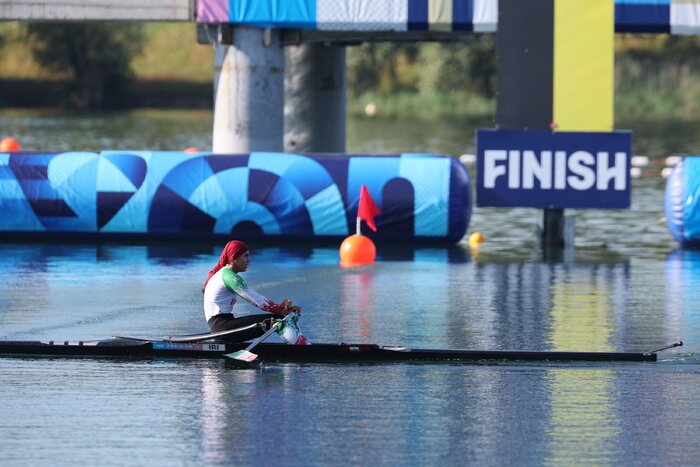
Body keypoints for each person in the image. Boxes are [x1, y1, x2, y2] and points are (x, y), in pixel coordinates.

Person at [202, 240, 301, 343]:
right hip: (223, 328)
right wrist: (283, 311)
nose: (248, 260)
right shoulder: (229, 277)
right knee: (281, 320)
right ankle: (302, 348)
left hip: (221, 326)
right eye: (245, 256)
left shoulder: (223, 274)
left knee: (279, 319)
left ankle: (298, 345)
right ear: (234, 258)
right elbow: (257, 301)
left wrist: (279, 308)